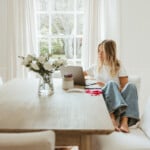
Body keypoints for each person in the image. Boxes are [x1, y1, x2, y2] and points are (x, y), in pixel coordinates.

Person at [84, 39, 139, 133]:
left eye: (102, 52)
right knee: (111, 84)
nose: (99, 54)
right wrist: (92, 81)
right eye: (98, 51)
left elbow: (125, 89)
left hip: (118, 100)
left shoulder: (119, 66)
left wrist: (106, 85)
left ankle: (124, 122)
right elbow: (80, 75)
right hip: (103, 98)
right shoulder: (95, 67)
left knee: (131, 86)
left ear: (110, 52)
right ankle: (112, 119)